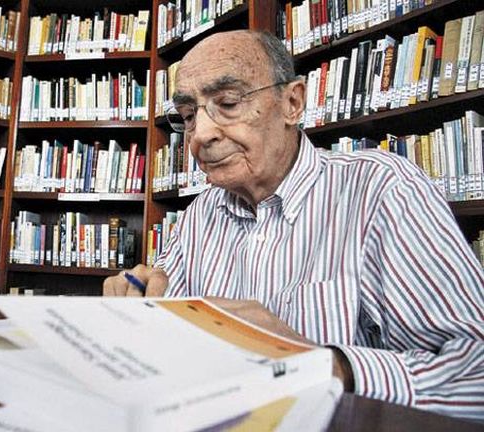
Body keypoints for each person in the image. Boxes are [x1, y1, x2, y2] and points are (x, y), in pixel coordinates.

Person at [103, 30, 484, 421]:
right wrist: (136, 308)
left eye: (228, 103)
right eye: (188, 116)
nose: (200, 135)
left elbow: (475, 373)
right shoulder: (199, 216)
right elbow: (167, 335)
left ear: (292, 102)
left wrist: (325, 366)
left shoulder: (383, 189)